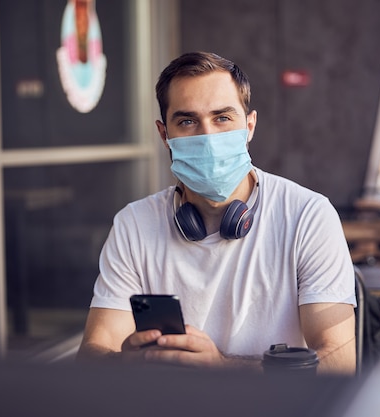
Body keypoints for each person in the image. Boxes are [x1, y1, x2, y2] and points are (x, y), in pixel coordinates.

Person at [76, 51, 356, 374]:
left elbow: (340, 362)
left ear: (249, 126)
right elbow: (91, 354)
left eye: (222, 118)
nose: (207, 137)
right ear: (164, 134)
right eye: (187, 121)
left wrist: (221, 369)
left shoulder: (308, 217)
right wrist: (123, 362)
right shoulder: (133, 225)